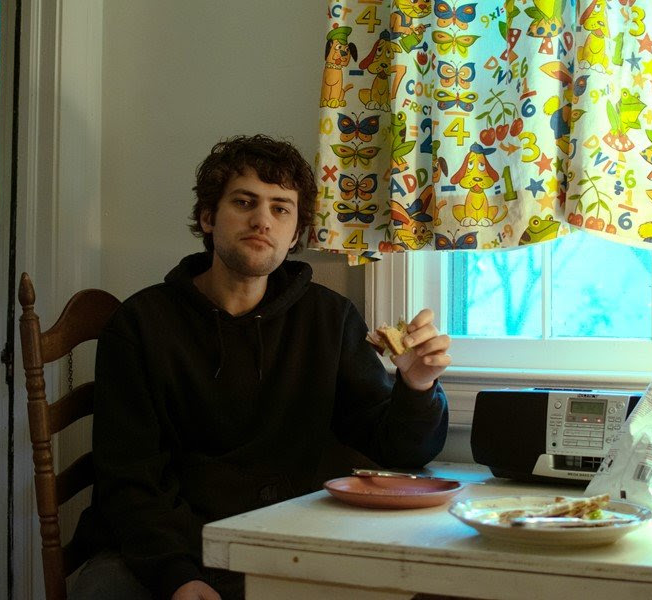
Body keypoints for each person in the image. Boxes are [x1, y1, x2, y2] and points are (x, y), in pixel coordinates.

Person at [69, 134, 451, 600]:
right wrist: (177, 575)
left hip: (287, 544)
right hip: (173, 546)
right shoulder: (140, 325)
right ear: (208, 218)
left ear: (296, 235)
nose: (262, 220)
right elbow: (129, 480)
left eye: (280, 208)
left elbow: (399, 452)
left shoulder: (330, 320)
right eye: (244, 202)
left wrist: (416, 386)